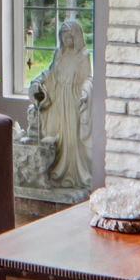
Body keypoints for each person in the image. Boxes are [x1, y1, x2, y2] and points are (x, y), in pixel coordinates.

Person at [28, 18, 93, 188]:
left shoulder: (83, 56)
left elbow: (87, 79)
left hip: (72, 99)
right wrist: (38, 81)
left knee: (71, 136)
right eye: (63, 35)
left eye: (69, 35)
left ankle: (73, 173)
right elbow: (50, 73)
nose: (66, 39)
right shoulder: (59, 54)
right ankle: (56, 171)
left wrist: (85, 92)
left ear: (77, 36)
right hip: (57, 98)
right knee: (55, 134)